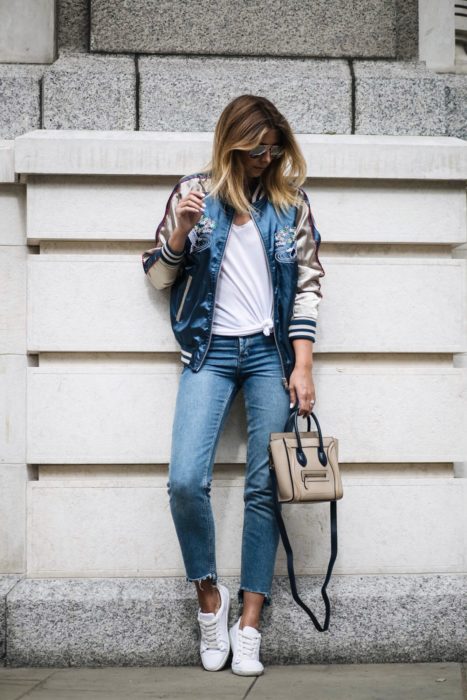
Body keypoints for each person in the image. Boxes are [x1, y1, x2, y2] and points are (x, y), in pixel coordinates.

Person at [142, 94, 325, 676]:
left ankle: (249, 624)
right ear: (231, 143)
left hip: (269, 355)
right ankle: (209, 602)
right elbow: (156, 275)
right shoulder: (192, 193)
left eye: (273, 149)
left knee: (263, 488)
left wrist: (303, 363)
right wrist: (182, 233)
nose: (265, 159)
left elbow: (308, 286)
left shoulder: (290, 203)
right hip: (209, 352)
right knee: (185, 480)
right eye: (254, 149)